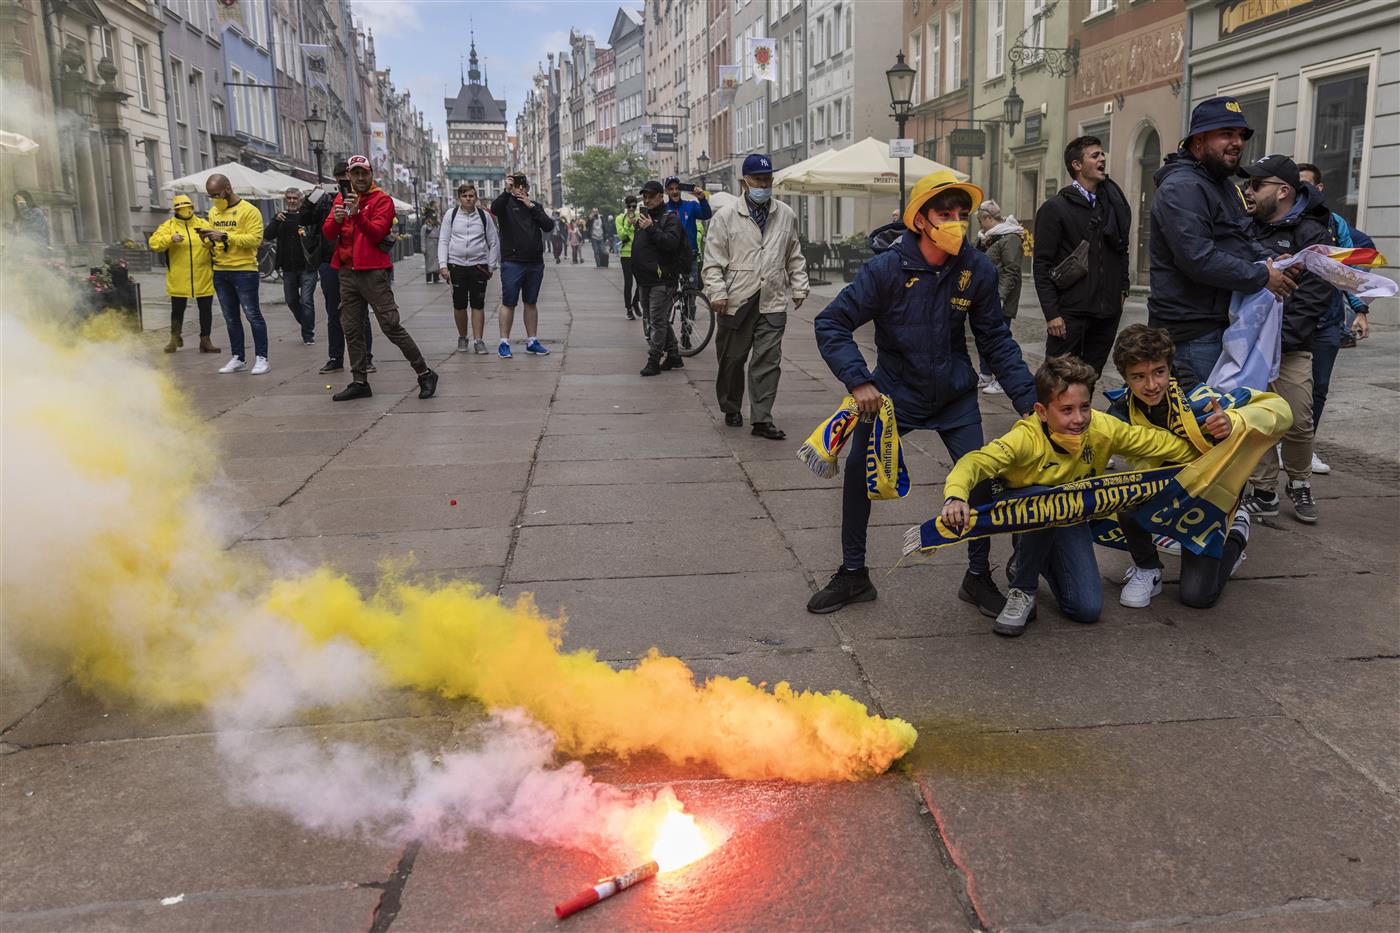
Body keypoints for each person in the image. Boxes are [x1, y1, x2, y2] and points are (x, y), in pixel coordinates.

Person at [809, 170, 1038, 617]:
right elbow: (831, 323)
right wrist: (859, 380)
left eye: (962, 215)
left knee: (981, 481)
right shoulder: (885, 270)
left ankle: (977, 578)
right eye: (944, 214)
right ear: (920, 219)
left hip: (954, 397)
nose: (956, 222)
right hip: (895, 394)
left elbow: (996, 340)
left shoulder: (976, 268)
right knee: (859, 473)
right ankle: (854, 575)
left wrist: (1030, 403)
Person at [939, 356, 1197, 636]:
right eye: (1066, 410)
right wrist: (955, 497)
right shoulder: (1025, 438)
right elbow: (974, 462)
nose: (1078, 419)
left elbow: (1160, 444)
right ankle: (1022, 589)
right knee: (1046, 498)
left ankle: (1028, 559)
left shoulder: (1102, 428)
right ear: (1041, 410)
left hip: (1069, 516)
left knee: (1085, 609)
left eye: (1084, 407)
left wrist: (1211, 448)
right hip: (1023, 508)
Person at [1105, 324, 1282, 609]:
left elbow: (1279, 411)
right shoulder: (1119, 410)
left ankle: (1235, 533)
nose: (1151, 385)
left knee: (1196, 597)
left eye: (1159, 372)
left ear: (1169, 367)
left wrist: (1233, 422)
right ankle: (1147, 568)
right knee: (1116, 494)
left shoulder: (1200, 397)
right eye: (1138, 377)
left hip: (1208, 497)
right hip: (1163, 491)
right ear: (1124, 377)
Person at [1148, 97, 1296, 383]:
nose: (1238, 142)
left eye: (1240, 135)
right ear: (1199, 141)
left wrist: (1270, 259)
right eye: (1226, 133)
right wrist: (1261, 276)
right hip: (1192, 332)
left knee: (1222, 419)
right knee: (1203, 421)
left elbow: (1241, 237)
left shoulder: (1222, 186)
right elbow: (1198, 258)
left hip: (1220, 322)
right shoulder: (1183, 187)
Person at [1238, 154, 1336, 524]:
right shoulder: (1246, 228)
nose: (1248, 191)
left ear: (1282, 191)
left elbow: (1316, 293)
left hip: (1292, 346)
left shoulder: (1312, 232)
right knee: (1259, 419)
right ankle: (1263, 491)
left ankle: (1299, 482)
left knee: (1297, 420)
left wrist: (1281, 336)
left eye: (1255, 185)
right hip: (1248, 347)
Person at [702, 152, 809, 440]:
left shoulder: (786, 214)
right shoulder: (724, 217)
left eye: (768, 179)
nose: (764, 184)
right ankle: (731, 405)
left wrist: (799, 286)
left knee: (768, 361)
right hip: (736, 298)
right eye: (758, 179)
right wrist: (717, 292)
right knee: (732, 359)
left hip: (772, 297)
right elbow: (712, 261)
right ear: (745, 181)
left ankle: (762, 418)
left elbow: (794, 254)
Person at [321, 154, 438, 401]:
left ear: (371, 174)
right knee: (351, 328)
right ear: (349, 176)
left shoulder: (382, 200)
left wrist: (356, 214)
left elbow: (377, 233)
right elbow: (329, 232)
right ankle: (359, 381)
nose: (361, 178)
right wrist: (339, 218)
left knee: (391, 325)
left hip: (373, 272)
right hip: (346, 271)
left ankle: (424, 373)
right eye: (355, 173)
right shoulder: (341, 199)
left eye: (365, 173)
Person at [1033, 135, 1131, 376]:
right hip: (1070, 313)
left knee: (1090, 378)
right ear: (1077, 165)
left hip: (1106, 313)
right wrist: (1052, 314)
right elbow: (1042, 263)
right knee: (1058, 380)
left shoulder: (1111, 205)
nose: (1102, 158)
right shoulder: (1055, 208)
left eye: (1102, 154)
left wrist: (1122, 290)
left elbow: (1121, 249)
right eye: (1095, 155)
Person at [1296, 162, 1370, 476]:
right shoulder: (1285, 220)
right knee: (1286, 386)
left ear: (1320, 188)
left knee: (1319, 387)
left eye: (1307, 185)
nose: (1301, 190)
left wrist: (1361, 310)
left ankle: (1305, 447)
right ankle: (1279, 444)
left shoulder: (1335, 223)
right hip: (1294, 320)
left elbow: (1347, 271)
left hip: (1329, 321)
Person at [307, 161, 373, 375]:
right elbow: (306, 220)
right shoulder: (325, 199)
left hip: (354, 261)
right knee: (333, 312)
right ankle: (335, 357)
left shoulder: (363, 197)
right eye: (341, 176)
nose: (345, 180)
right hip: (329, 261)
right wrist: (311, 199)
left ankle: (367, 358)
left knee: (360, 313)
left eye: (349, 175)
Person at [204, 173, 269, 375]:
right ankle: (238, 357)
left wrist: (225, 236)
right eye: (210, 195)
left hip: (244, 270)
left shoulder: (249, 211)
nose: (214, 198)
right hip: (221, 270)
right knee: (230, 317)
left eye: (216, 194)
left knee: (252, 315)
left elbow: (255, 240)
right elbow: (212, 240)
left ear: (228, 189)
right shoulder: (213, 212)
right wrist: (207, 238)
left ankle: (262, 358)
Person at [491, 171, 555, 359]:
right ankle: (504, 342)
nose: (519, 188)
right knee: (508, 302)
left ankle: (532, 341)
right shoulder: (505, 204)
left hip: (534, 262)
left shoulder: (535, 206)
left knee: (531, 302)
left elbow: (549, 226)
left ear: (527, 188)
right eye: (515, 185)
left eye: (522, 185)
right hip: (512, 262)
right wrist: (506, 191)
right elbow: (495, 209)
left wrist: (531, 206)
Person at [147, 194, 220, 354]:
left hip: (203, 274)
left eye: (187, 207)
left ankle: (205, 340)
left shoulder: (203, 224)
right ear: (176, 210)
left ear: (193, 208)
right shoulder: (169, 226)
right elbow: (153, 244)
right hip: (179, 276)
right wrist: (170, 239)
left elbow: (216, 245)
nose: (185, 210)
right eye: (180, 208)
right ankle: (174, 338)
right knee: (177, 309)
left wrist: (206, 239)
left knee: (206, 309)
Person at [631, 179, 689, 376]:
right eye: (644, 197)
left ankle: (654, 359)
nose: (646, 200)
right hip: (645, 279)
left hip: (662, 279)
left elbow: (671, 243)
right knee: (657, 318)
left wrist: (651, 228)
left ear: (660, 196)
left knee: (656, 320)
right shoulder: (644, 218)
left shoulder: (669, 217)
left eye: (650, 196)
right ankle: (673, 355)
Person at [438, 182, 500, 354]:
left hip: (478, 266)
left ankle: (479, 340)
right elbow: (443, 240)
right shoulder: (451, 215)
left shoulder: (483, 216)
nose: (468, 199)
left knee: (478, 304)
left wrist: (491, 266)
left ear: (476, 197)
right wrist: (443, 265)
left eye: (471, 196)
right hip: (456, 265)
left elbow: (493, 241)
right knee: (459, 304)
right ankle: (463, 337)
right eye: (465, 196)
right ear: (459, 198)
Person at [974, 199, 1024, 395]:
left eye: (981, 221)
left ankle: (1003, 379)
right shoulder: (990, 237)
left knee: (998, 339)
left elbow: (1011, 270)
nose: (980, 226)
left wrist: (1000, 297)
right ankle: (986, 373)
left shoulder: (1010, 238)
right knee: (983, 335)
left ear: (988, 218)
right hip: (985, 296)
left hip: (1000, 298)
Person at [264, 187, 316, 345]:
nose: (292, 201)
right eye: (289, 198)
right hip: (288, 268)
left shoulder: (307, 217)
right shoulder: (281, 218)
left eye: (295, 198)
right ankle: (306, 323)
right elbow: (268, 235)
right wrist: (275, 220)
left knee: (307, 300)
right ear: (285, 200)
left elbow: (315, 236)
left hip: (307, 266)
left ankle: (308, 334)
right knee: (292, 300)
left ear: (300, 199)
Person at [664, 175, 713, 286]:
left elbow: (706, 215)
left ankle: (691, 303)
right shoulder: (664, 209)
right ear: (666, 191)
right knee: (671, 292)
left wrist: (702, 199)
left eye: (677, 188)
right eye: (671, 189)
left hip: (690, 256)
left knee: (691, 292)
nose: (675, 191)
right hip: (671, 257)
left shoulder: (691, 205)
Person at [617, 196, 642, 319]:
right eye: (629, 206)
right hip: (626, 254)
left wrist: (636, 223)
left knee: (642, 282)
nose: (632, 209)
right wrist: (628, 224)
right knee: (628, 283)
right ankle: (629, 309)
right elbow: (621, 235)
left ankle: (635, 301)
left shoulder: (640, 216)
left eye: (634, 206)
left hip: (639, 253)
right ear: (626, 207)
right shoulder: (620, 218)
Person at [421, 209, 441, 284]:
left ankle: (436, 278)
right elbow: (422, 237)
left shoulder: (437, 226)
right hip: (429, 245)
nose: (433, 220)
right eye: (431, 219)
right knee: (429, 262)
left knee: (437, 262)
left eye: (434, 219)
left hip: (437, 245)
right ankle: (429, 278)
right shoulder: (425, 227)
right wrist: (423, 248)